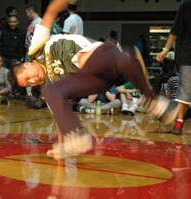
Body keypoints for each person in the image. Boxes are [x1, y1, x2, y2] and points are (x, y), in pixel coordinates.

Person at [13, 0, 178, 160]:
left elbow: (50, 13)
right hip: (91, 82)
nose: (33, 81)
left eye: (28, 77)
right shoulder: (47, 88)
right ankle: (76, 137)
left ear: (27, 64)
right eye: (28, 84)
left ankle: (151, 100)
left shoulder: (36, 48)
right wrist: (62, 145)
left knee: (115, 53)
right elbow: (60, 117)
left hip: (95, 58)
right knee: (52, 90)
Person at [156, 0, 191, 135]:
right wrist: (166, 49)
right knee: (184, 90)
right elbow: (176, 29)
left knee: (185, 91)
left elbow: (175, 30)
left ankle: (179, 122)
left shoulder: (185, 4)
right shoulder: (186, 4)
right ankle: (179, 122)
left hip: (186, 56)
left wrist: (165, 49)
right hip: (187, 56)